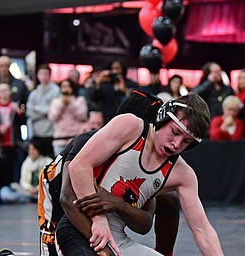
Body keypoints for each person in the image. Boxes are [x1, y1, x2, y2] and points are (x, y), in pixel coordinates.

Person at [56, 93, 223, 255]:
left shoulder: (183, 174)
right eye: (175, 132)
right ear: (163, 118)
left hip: (118, 240)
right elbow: (78, 167)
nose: (176, 144)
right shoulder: (130, 126)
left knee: (169, 201)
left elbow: (201, 229)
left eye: (186, 141)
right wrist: (99, 220)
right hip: (78, 224)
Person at [38, 90, 180, 256]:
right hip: (57, 189)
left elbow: (145, 224)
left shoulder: (149, 154)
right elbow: (67, 198)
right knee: (58, 247)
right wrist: (106, 249)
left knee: (169, 197)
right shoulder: (89, 140)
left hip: (90, 195)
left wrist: (121, 206)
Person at [84, 59, 138, 124]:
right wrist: (98, 83)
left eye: (117, 68)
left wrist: (124, 90)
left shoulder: (131, 84)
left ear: (123, 69)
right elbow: (94, 99)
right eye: (112, 69)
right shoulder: (105, 84)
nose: (115, 71)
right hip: (108, 119)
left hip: (126, 119)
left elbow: (136, 101)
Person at [26, 64, 60, 157]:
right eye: (41, 74)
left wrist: (37, 108)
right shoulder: (34, 93)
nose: (43, 77)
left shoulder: (56, 90)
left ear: (50, 75)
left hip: (51, 133)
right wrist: (44, 112)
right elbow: (29, 112)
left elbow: (53, 111)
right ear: (37, 75)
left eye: (46, 74)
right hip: (36, 133)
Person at [48, 78, 88, 155]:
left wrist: (71, 104)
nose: (66, 89)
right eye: (64, 86)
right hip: (59, 139)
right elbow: (52, 117)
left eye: (68, 86)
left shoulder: (80, 100)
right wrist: (61, 105)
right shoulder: (56, 102)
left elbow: (83, 117)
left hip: (75, 138)